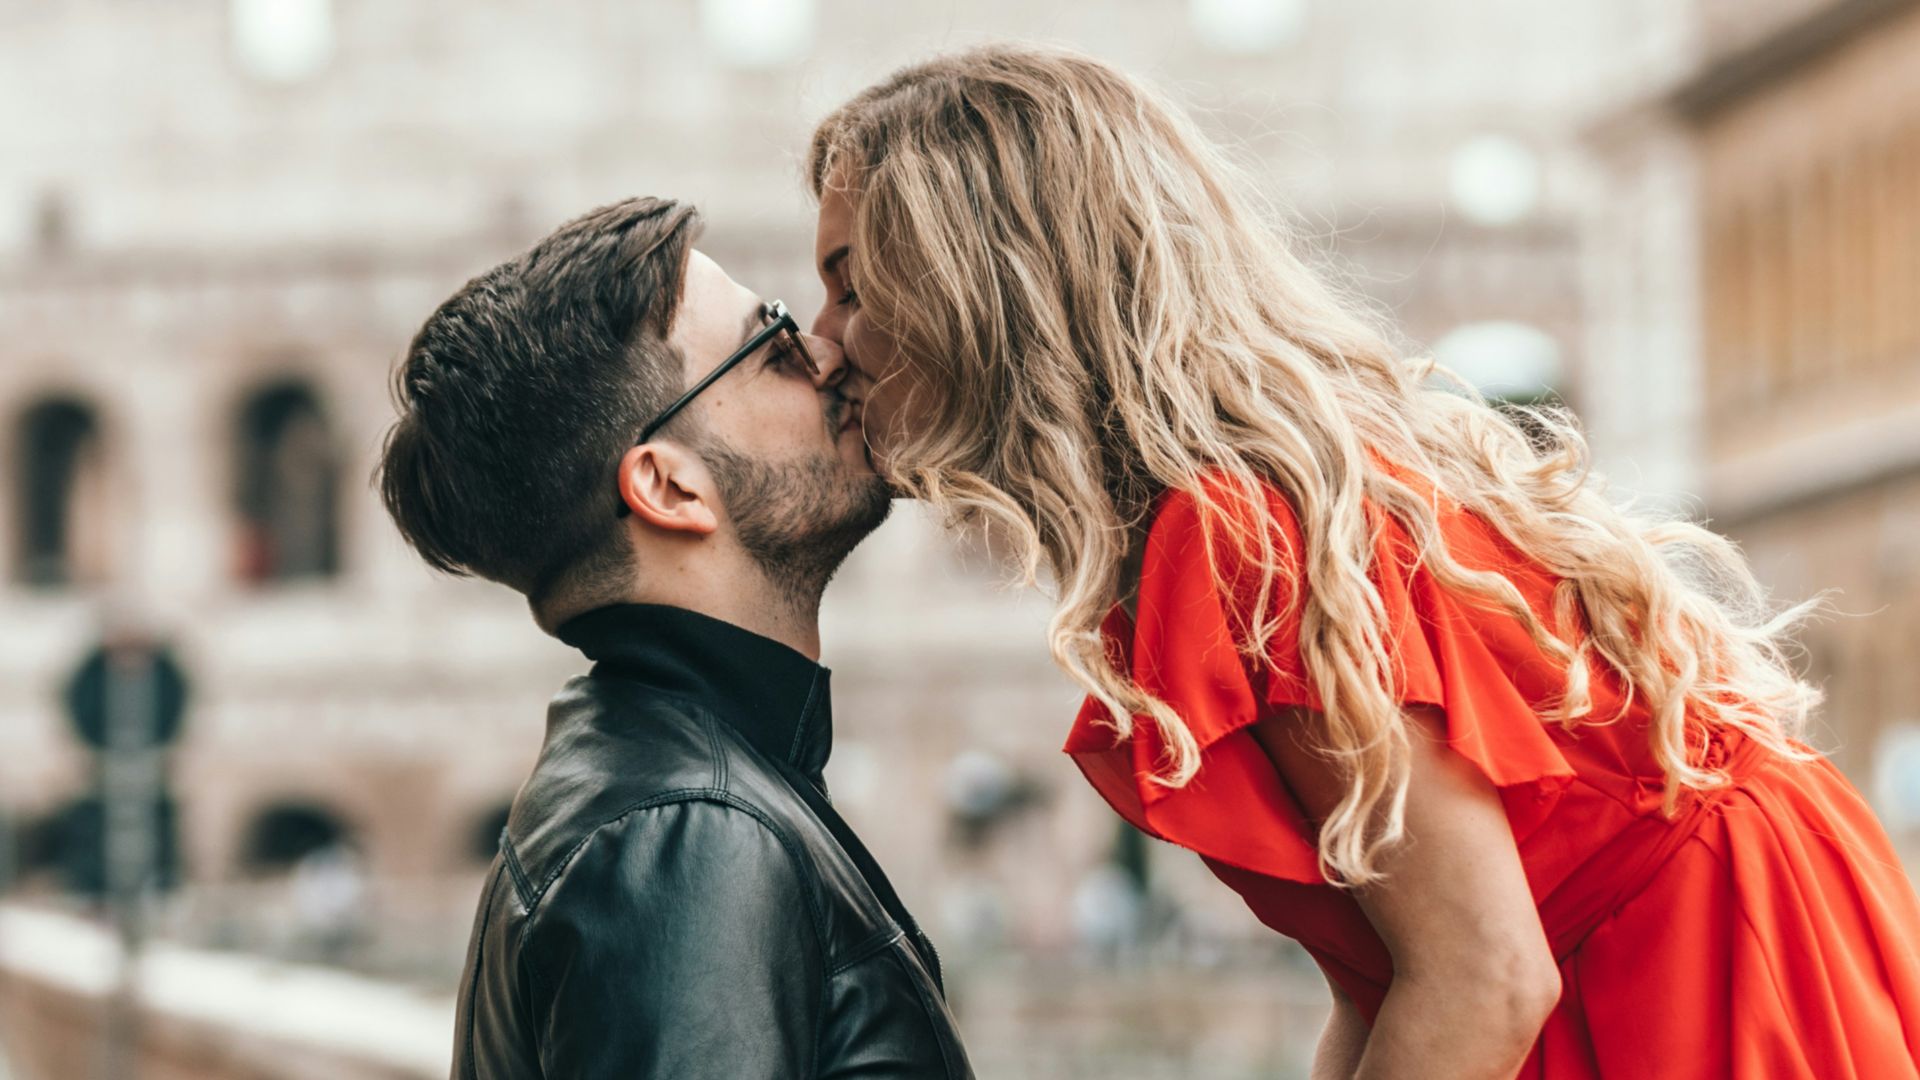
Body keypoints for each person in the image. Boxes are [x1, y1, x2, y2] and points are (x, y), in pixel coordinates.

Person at [804, 45, 1920, 1079]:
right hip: (1660, 951)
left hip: (1700, 976)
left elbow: (1482, 977)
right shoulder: (1228, 513)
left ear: (979, 283)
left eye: (851, 285)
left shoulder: (1239, 532)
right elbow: (1385, 981)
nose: (821, 338)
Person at [377, 197, 973, 1079]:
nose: (829, 350)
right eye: (772, 343)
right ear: (670, 487)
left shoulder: (650, 794)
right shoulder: (690, 838)